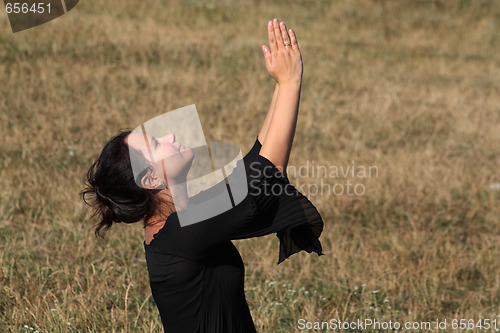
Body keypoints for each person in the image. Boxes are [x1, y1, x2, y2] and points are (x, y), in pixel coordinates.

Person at [82, 18, 324, 332]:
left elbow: (251, 168)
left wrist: (279, 84)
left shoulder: (180, 219)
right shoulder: (182, 232)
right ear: (152, 180)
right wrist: (292, 82)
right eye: (157, 143)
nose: (168, 136)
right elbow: (264, 177)